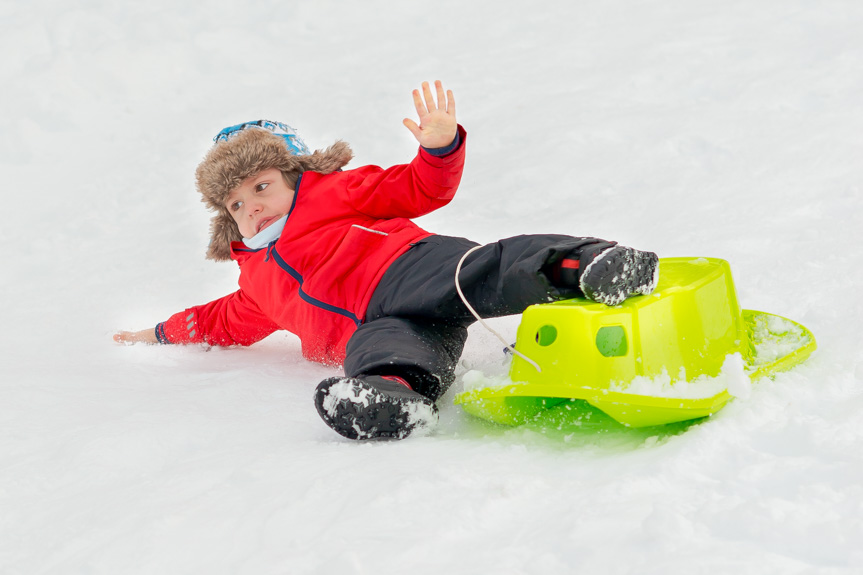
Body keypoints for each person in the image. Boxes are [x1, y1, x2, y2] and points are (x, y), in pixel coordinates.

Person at [115, 81, 659, 441]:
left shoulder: (334, 193)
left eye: (262, 186)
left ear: (296, 174)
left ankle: (580, 266)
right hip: (373, 326)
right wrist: (160, 332)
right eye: (235, 203)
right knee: (387, 351)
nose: (251, 205)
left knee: (485, 271)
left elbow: (420, 189)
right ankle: (394, 397)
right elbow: (221, 321)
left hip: (406, 267)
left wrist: (438, 150)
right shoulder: (255, 283)